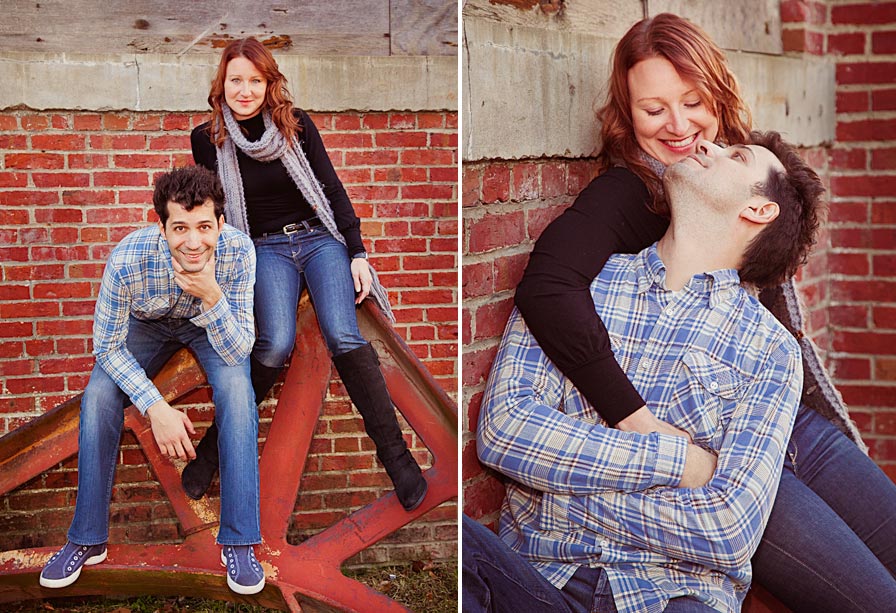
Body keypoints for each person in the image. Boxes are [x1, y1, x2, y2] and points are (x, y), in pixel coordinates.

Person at [512, 12, 896, 611]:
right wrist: (635, 419)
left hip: (796, 424)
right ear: (628, 118)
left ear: (718, 94)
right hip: (729, 457)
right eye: (654, 111)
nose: (679, 126)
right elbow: (546, 288)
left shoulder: (748, 172)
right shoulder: (629, 194)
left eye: (694, 101)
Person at [471, 131, 821, 613]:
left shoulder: (770, 349)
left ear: (758, 210)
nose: (704, 146)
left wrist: (554, 499)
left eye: (733, 156)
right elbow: (505, 431)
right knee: (461, 543)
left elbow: (729, 531)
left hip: (671, 596)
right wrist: (677, 460)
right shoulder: (580, 283)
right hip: (542, 579)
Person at [182, 37, 427, 512]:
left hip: (319, 240)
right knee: (274, 343)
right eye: (236, 80)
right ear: (222, 84)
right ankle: (211, 451)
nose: (245, 90)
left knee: (343, 335)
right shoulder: (207, 137)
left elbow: (331, 190)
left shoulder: (295, 125)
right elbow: (212, 211)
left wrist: (356, 252)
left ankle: (398, 460)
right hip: (265, 248)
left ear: (269, 83)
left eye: (255, 80)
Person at [39, 166, 265, 595]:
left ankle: (239, 541)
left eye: (204, 226)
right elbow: (105, 347)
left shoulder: (238, 252)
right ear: (160, 225)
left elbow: (239, 351)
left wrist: (211, 294)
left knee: (238, 391)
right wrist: (155, 405)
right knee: (99, 395)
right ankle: (86, 539)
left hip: (209, 320)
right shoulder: (128, 258)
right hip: (148, 326)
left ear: (220, 223)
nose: (193, 241)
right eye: (180, 227)